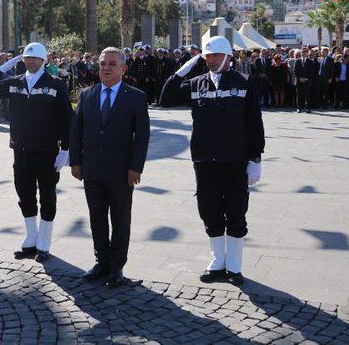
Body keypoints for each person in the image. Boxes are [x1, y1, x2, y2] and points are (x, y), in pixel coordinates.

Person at [159, 36, 265, 286]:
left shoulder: (244, 83)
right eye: (207, 56)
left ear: (228, 57)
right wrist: (183, 69)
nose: (211, 59)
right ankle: (218, 261)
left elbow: (254, 123)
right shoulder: (196, 84)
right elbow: (165, 98)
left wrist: (255, 158)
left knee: (236, 211)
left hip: (236, 159)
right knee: (209, 209)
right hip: (205, 160)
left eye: (216, 55)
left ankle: (235, 266)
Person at [0, 42, 73, 262]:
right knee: (25, 194)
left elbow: (67, 119)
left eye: (34, 59)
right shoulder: (15, 82)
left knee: (48, 197)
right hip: (20, 150)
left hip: (47, 151)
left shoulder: (55, 84)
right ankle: (31, 238)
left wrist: (66, 150)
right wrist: (3, 67)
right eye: (26, 59)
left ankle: (44, 242)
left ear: (43, 61)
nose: (30, 62)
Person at [69, 47, 150, 288]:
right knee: (97, 218)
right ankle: (101, 262)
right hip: (92, 170)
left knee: (121, 219)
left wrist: (136, 167)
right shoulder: (87, 95)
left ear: (123, 69)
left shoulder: (135, 97)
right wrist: (76, 161)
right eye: (103, 63)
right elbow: (76, 131)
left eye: (112, 64)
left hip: (122, 172)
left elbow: (142, 135)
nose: (106, 68)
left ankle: (117, 267)